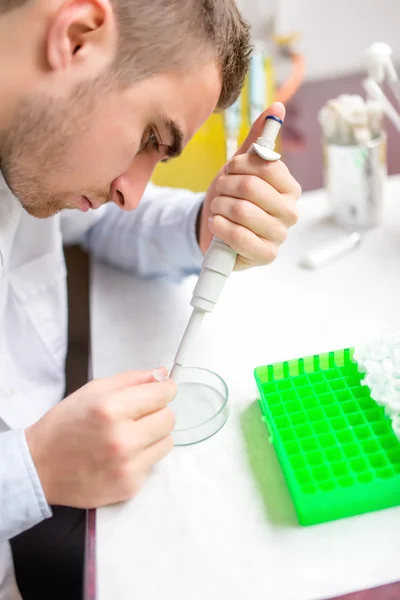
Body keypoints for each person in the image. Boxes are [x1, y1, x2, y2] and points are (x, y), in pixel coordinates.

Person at [0, 0, 301, 598]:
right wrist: (30, 471)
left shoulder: (30, 149)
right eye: (148, 137)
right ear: (79, 37)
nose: (132, 193)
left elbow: (92, 222)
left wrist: (204, 224)